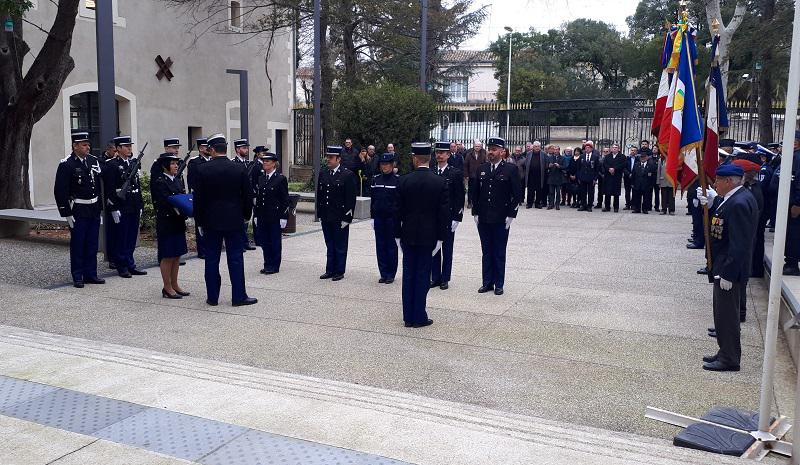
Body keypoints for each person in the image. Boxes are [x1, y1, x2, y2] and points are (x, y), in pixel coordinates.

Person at [697, 164, 758, 371]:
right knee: (722, 315)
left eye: (718, 181)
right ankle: (725, 351)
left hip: (728, 269)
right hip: (723, 266)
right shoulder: (733, 198)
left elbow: (739, 244)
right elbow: (722, 222)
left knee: (728, 317)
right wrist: (714, 203)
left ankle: (730, 359)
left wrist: (728, 274)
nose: (715, 184)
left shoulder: (740, 202)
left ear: (728, 182)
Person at [193, 134, 257, 307]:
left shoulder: (202, 169)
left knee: (211, 259)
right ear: (226, 149)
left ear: (212, 149)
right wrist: (246, 215)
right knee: (235, 258)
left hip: (210, 222)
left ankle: (212, 297)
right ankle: (238, 296)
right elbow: (247, 195)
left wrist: (199, 222)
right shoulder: (238, 169)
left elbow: (198, 199)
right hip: (234, 220)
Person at [395, 143, 449, 328]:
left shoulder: (403, 181)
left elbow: (397, 211)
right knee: (422, 276)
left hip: (408, 235)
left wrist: (397, 236)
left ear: (415, 159)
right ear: (430, 158)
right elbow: (443, 214)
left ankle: (408, 316)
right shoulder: (439, 182)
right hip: (429, 237)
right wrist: (441, 238)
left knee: (408, 275)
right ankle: (419, 316)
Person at [472, 137, 524, 295]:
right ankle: (487, 282)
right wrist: (475, 211)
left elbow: (517, 194)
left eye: (494, 149)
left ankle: (499, 284)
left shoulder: (510, 169)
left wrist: (511, 215)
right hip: (484, 218)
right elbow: (475, 192)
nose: (490, 152)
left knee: (499, 252)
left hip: (501, 218)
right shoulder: (482, 168)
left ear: (502, 151)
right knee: (486, 251)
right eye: (489, 149)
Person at [54, 132, 106, 288]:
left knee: (92, 243)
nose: (87, 147)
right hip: (78, 209)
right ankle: (78, 275)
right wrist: (66, 213)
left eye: (88, 144)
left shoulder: (92, 161)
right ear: (75, 146)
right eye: (84, 145)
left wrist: (100, 208)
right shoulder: (66, 164)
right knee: (78, 244)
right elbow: (60, 191)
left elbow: (98, 186)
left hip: (93, 208)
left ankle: (91, 274)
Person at [102, 136, 146, 278]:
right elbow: (109, 189)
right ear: (118, 148)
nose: (129, 149)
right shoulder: (112, 165)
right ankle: (121, 266)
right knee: (121, 237)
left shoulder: (133, 163)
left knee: (132, 237)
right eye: (126, 146)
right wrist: (113, 208)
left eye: (130, 146)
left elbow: (137, 187)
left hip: (133, 205)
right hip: (121, 206)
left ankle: (130, 264)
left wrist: (140, 206)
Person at [151, 152, 189, 299]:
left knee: (177, 254)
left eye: (176, 163)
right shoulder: (160, 181)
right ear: (165, 166)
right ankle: (167, 287)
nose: (176, 166)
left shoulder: (177, 180)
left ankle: (175, 284)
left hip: (178, 221)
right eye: (172, 163)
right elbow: (164, 202)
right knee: (168, 255)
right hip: (167, 221)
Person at [317, 145, 358, 281]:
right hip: (327, 215)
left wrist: (347, 217)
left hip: (340, 216)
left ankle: (339, 271)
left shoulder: (347, 175)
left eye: (331, 157)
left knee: (340, 245)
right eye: (327, 157)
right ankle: (330, 269)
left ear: (338, 159)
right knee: (329, 243)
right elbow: (320, 195)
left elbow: (350, 199)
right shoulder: (323, 173)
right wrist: (320, 214)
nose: (328, 159)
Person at [431, 141, 465, 290]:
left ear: (449, 154)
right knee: (434, 248)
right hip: (433, 217)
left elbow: (459, 196)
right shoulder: (431, 171)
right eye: (437, 152)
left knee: (447, 249)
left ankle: (445, 278)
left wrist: (457, 217)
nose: (439, 155)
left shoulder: (455, 172)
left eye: (442, 153)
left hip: (448, 216)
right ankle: (435, 277)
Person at [253, 151, 289, 275]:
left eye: (267, 161)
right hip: (263, 215)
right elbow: (258, 198)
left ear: (274, 164)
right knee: (265, 241)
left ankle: (274, 265)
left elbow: (285, 200)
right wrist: (256, 215)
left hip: (275, 216)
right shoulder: (261, 178)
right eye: (264, 161)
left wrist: (284, 217)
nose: (265, 163)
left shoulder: (280, 179)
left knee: (274, 241)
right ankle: (267, 263)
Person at [371, 152, 400, 284]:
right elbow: (373, 200)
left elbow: (400, 202)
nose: (384, 167)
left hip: (391, 219)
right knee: (380, 245)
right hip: (378, 218)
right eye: (382, 164)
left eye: (387, 164)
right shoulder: (376, 179)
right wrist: (372, 216)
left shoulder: (397, 180)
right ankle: (383, 273)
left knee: (391, 246)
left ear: (392, 164)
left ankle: (391, 273)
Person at [231, 138, 257, 251]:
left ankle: (245, 242)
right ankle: (240, 243)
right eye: (244, 148)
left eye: (247, 148)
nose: (246, 150)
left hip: (248, 196)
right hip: (239, 197)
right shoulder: (233, 163)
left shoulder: (249, 164)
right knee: (238, 221)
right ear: (237, 149)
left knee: (247, 218)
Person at [187, 137, 210, 259]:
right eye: (207, 147)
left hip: (212, 197)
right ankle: (202, 250)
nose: (209, 149)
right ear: (201, 148)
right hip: (200, 197)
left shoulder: (212, 160)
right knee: (200, 223)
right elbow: (192, 181)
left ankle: (210, 247)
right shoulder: (194, 162)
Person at [784, 131, 800, 276]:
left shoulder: (798, 157)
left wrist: (797, 203)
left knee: (793, 234)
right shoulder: (793, 155)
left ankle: (792, 263)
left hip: (794, 203)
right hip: (788, 201)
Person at [576, 140, 600, 212]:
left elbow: (597, 169)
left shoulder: (595, 157)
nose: (587, 149)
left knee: (590, 192)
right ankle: (583, 205)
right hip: (583, 177)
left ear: (592, 149)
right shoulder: (581, 156)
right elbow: (578, 168)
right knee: (583, 192)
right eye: (586, 148)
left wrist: (595, 179)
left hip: (591, 178)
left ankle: (589, 206)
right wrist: (579, 177)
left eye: (589, 148)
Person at [522, 141, 547, 209]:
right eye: (535, 146)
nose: (537, 148)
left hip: (540, 175)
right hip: (531, 175)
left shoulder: (543, 154)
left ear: (540, 147)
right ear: (533, 147)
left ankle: (538, 203)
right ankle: (529, 203)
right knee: (530, 190)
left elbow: (546, 164)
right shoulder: (529, 153)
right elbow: (526, 163)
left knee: (539, 190)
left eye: (538, 146)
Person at [630, 149, 657, 214]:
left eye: (644, 157)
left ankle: (645, 209)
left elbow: (653, 176)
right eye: (641, 157)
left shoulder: (651, 165)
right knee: (637, 197)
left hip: (646, 185)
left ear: (647, 158)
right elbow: (633, 175)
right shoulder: (636, 165)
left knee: (646, 198)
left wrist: (651, 184)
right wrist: (632, 183)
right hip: (637, 184)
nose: (643, 158)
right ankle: (637, 209)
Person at [602, 143, 626, 212]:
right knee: (607, 192)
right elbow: (605, 164)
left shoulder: (622, 156)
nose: (614, 148)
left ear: (619, 149)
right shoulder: (608, 156)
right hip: (608, 176)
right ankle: (607, 207)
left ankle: (616, 207)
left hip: (616, 176)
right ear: (611, 149)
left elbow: (622, 164)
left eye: (616, 147)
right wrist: (609, 169)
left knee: (616, 193)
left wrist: (614, 169)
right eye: (613, 147)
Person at [463, 139, 487, 209]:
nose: (477, 147)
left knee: (480, 189)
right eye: (476, 146)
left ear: (481, 147)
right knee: (471, 190)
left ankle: (478, 202)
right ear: (473, 146)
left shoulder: (484, 154)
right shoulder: (469, 155)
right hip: (471, 175)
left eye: (479, 146)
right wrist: (466, 175)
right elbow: (465, 165)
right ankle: (470, 202)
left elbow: (486, 164)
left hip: (480, 175)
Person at [546, 144, 565, 210]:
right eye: (554, 149)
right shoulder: (550, 157)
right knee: (551, 192)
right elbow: (546, 166)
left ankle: (557, 204)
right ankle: (551, 204)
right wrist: (549, 166)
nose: (555, 151)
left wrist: (559, 166)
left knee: (558, 192)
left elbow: (565, 167)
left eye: (557, 149)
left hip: (559, 177)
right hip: (551, 177)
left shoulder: (562, 158)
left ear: (559, 150)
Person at [622, 146, 637, 210]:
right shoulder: (626, 159)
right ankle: (627, 204)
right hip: (627, 177)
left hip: (635, 178)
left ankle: (633, 204)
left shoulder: (638, 159)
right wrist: (628, 174)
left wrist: (633, 175)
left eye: (634, 150)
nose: (633, 152)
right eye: (632, 150)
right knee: (627, 192)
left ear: (636, 152)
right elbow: (624, 168)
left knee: (634, 192)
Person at [651, 145, 662, 211]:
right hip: (650, 178)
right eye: (653, 148)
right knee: (649, 192)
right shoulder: (649, 158)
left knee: (657, 193)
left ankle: (657, 206)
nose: (654, 149)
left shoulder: (660, 158)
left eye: (656, 148)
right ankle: (648, 205)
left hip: (657, 177)